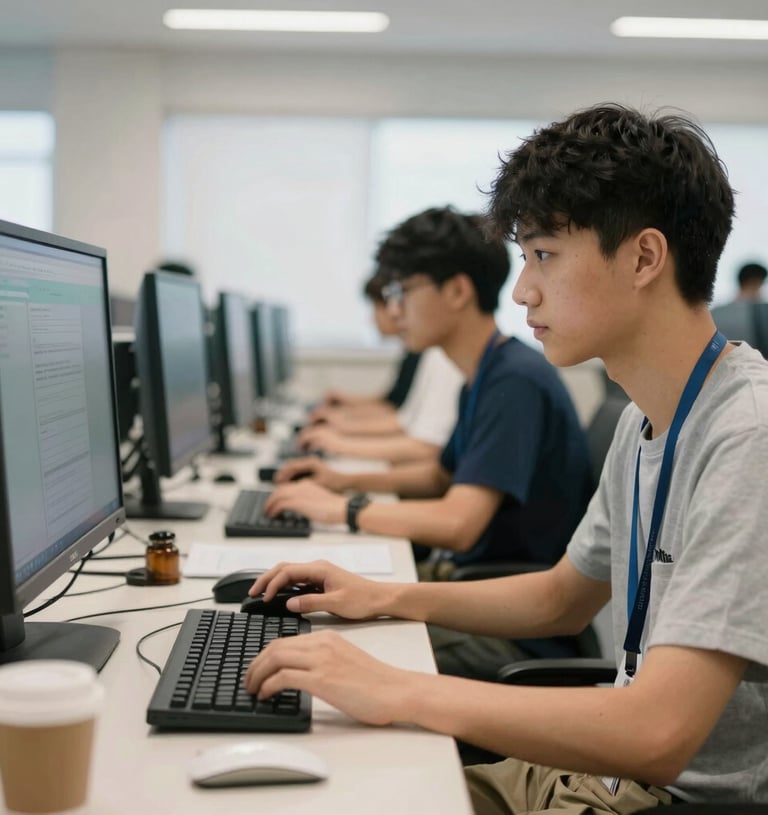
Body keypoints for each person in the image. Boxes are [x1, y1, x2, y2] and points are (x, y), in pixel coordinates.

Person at [244, 104, 768, 809]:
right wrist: (383, 596)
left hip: (660, 795)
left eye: (544, 254)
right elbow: (559, 596)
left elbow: (658, 731)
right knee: (325, 777)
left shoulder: (748, 434)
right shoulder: (649, 418)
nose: (522, 289)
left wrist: (399, 687)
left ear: (644, 257)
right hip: (604, 778)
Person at [266, 206, 593, 672]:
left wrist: (343, 508)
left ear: (457, 290)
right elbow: (442, 474)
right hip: (474, 598)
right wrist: (334, 480)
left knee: (319, 644)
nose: (394, 311)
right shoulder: (484, 374)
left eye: (403, 292)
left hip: (516, 636)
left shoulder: (513, 382)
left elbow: (459, 523)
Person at [305, 270, 463, 463]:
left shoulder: (443, 357)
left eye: (401, 297)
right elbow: (405, 417)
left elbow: (424, 445)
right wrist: (341, 427)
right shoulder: (430, 353)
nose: (393, 311)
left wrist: (341, 438)